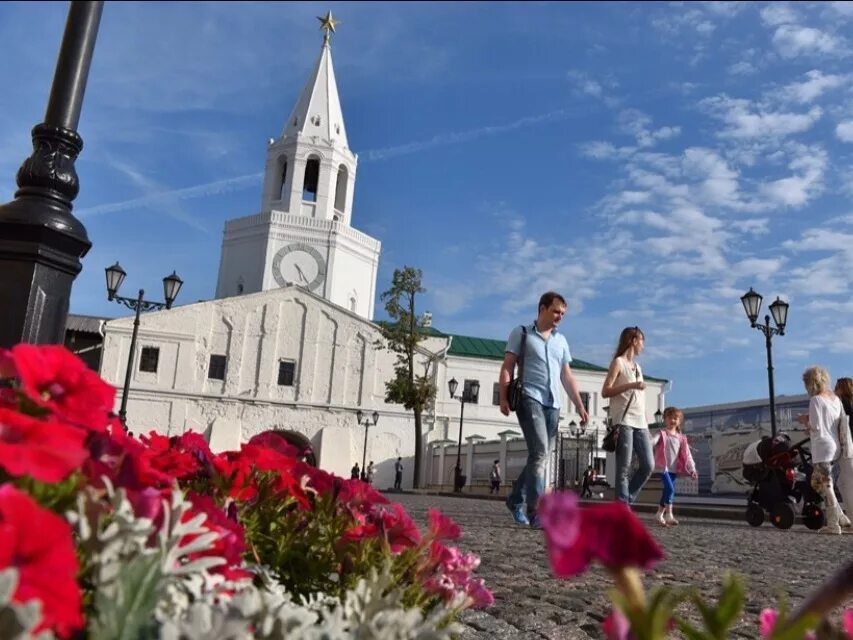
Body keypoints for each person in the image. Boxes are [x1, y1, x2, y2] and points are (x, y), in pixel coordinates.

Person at [499, 291, 589, 529]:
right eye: (556, 311)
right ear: (542, 309)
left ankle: (515, 498)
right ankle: (536, 511)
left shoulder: (561, 341)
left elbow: (566, 375)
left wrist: (580, 405)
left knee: (539, 457)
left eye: (563, 313)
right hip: (529, 397)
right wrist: (503, 397)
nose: (560, 316)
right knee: (539, 452)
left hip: (553, 404)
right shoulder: (522, 333)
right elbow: (508, 366)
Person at [601, 326, 653, 505]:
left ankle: (624, 501)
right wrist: (630, 386)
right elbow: (605, 391)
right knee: (624, 467)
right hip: (624, 421)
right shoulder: (618, 363)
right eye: (641, 341)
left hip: (641, 422)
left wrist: (646, 421)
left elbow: (640, 398)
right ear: (633, 340)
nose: (643, 346)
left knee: (648, 465)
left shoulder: (638, 367)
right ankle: (623, 509)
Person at [798, 366, 847, 534]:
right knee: (818, 482)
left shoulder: (816, 400)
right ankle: (841, 517)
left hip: (823, 447)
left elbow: (817, 427)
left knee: (826, 485)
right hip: (835, 446)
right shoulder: (835, 399)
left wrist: (805, 421)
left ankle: (834, 524)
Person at [650, 407, 697, 526]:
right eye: (669, 417)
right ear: (664, 419)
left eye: (675, 418)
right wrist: (645, 439)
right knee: (670, 489)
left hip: (674, 469)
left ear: (679, 421)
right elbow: (652, 442)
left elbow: (687, 455)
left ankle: (659, 514)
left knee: (667, 491)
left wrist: (692, 469)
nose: (672, 420)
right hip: (663, 467)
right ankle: (669, 515)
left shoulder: (681, 438)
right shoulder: (662, 433)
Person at [832, 377, 853, 529]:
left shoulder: (842, 403)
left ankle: (850, 517)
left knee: (845, 483)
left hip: (848, 447)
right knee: (842, 482)